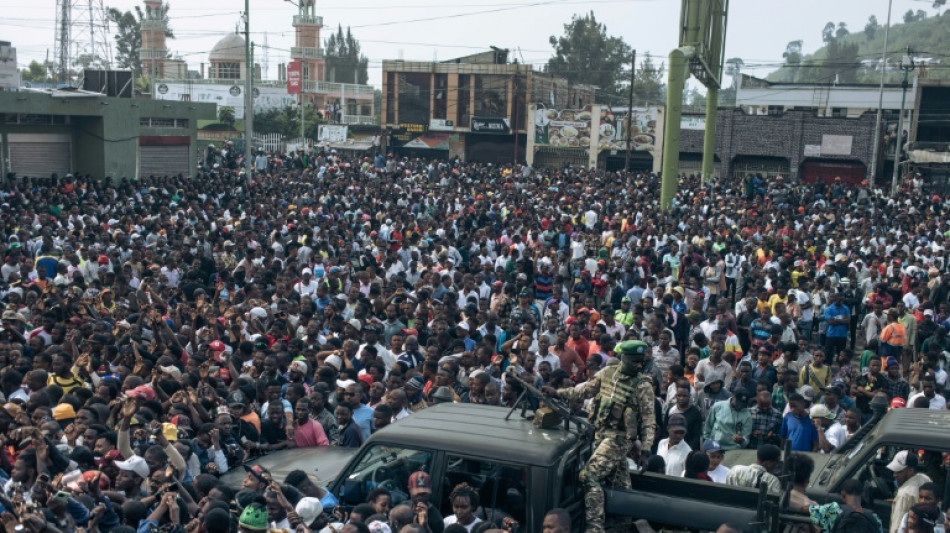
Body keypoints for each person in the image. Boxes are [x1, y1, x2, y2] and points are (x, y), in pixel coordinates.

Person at [544, 340, 656, 533]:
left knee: (588, 476)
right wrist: (558, 393)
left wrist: (646, 450)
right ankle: (623, 526)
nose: (639, 366)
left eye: (641, 362)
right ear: (623, 358)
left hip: (619, 439)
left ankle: (595, 528)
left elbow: (648, 420)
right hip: (599, 434)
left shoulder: (642, 386)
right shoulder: (607, 373)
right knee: (620, 484)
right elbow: (584, 390)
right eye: (635, 361)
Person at [890, 450, 934, 533]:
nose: (894, 475)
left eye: (899, 471)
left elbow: (897, 528)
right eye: (894, 471)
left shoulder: (904, 495)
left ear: (910, 470)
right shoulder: (924, 478)